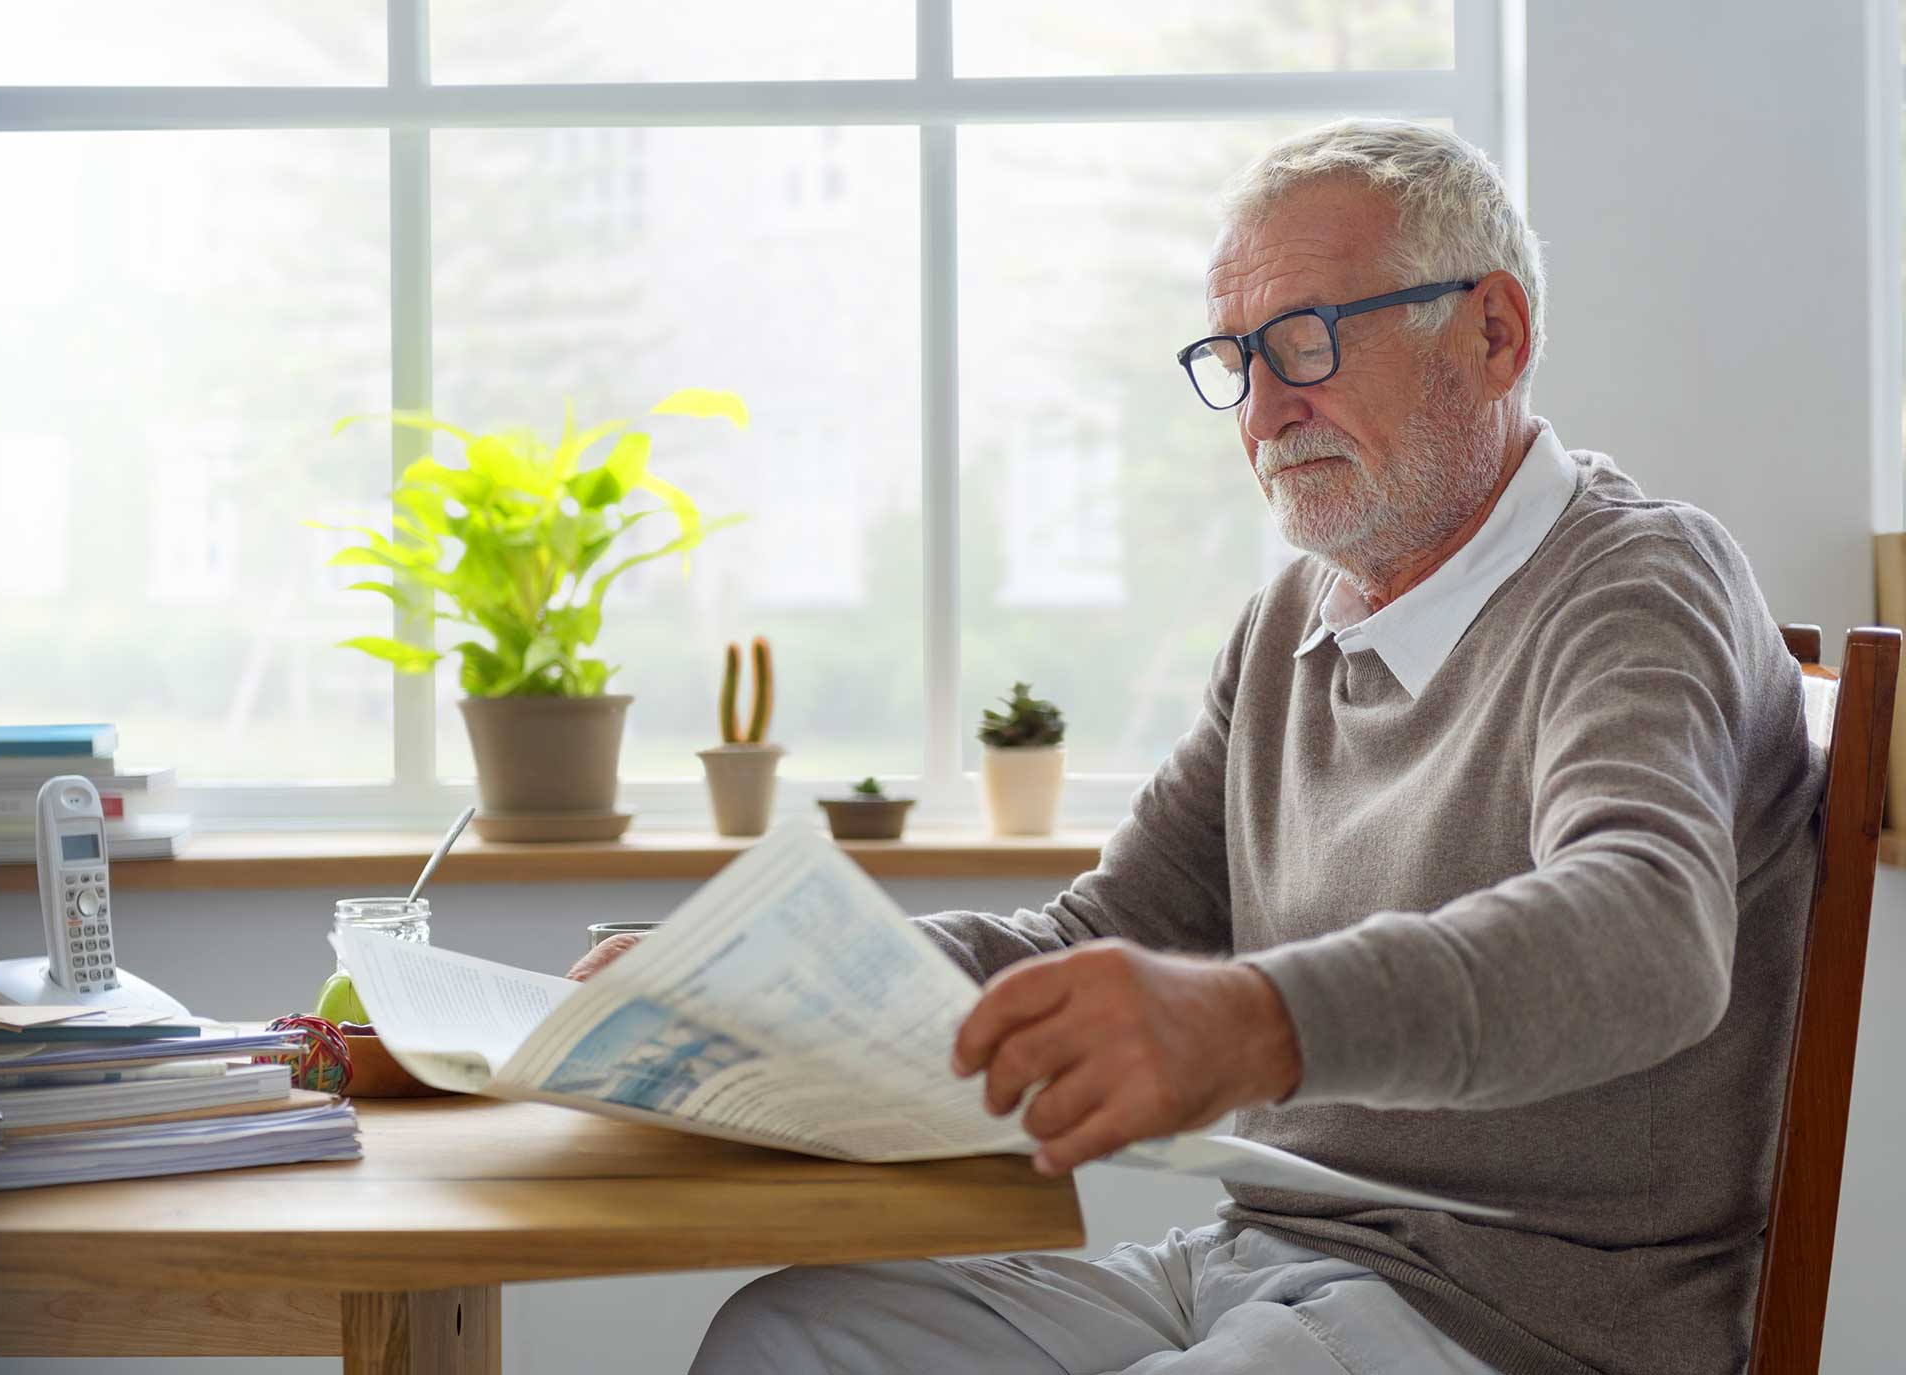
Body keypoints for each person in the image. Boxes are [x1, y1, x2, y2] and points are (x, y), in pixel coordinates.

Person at [571, 119, 1822, 1375]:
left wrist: (1254, 1021)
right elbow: (1099, 938)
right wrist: (774, 971)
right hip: (1251, 1261)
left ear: (1492, 332)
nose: (1268, 408)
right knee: (790, 1336)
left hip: (1516, 1316)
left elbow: (1643, 936)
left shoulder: (1638, 584)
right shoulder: (1292, 614)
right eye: (1235, 357)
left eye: (1308, 341)